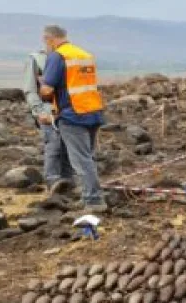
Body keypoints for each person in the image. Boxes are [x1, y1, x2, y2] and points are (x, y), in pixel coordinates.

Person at [38, 25, 107, 212]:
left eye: (45, 41)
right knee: (88, 157)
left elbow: (48, 88)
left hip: (72, 115)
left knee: (81, 160)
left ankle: (94, 201)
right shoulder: (84, 54)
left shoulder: (57, 56)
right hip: (92, 111)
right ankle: (88, 196)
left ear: (50, 39)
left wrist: (42, 89)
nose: (46, 45)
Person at [22, 48, 74, 193]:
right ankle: (53, 181)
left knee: (68, 146)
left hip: (67, 110)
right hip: (47, 109)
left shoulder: (69, 57)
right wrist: (39, 111)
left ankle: (68, 183)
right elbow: (30, 88)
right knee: (54, 144)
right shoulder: (36, 59)